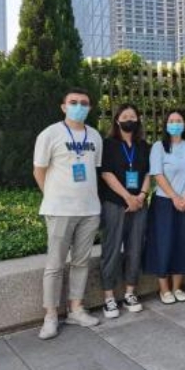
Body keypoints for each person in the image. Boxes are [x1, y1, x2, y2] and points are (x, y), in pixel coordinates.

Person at [33, 88, 103, 340]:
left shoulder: (95, 136)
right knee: (55, 265)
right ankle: (50, 316)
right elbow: (39, 170)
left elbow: (94, 169)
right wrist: (52, 195)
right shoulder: (50, 134)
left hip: (89, 209)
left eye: (84, 103)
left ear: (90, 108)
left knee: (81, 262)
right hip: (60, 210)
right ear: (63, 107)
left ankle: (76, 309)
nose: (79, 106)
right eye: (73, 102)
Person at [143, 110, 185, 304]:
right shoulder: (158, 147)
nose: (175, 123)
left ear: (184, 124)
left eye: (179, 120)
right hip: (164, 203)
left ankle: (177, 287)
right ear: (166, 124)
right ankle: (164, 289)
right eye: (171, 120)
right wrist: (175, 197)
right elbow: (157, 174)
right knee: (163, 243)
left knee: (183, 243)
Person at [99, 103, 150, 319]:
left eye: (133, 116)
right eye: (125, 116)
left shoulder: (143, 146)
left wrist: (141, 196)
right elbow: (106, 173)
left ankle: (130, 292)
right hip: (115, 203)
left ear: (138, 120)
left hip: (139, 204)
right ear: (117, 120)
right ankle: (109, 296)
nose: (130, 119)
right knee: (111, 248)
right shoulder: (108, 144)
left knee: (135, 247)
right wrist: (127, 197)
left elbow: (148, 173)